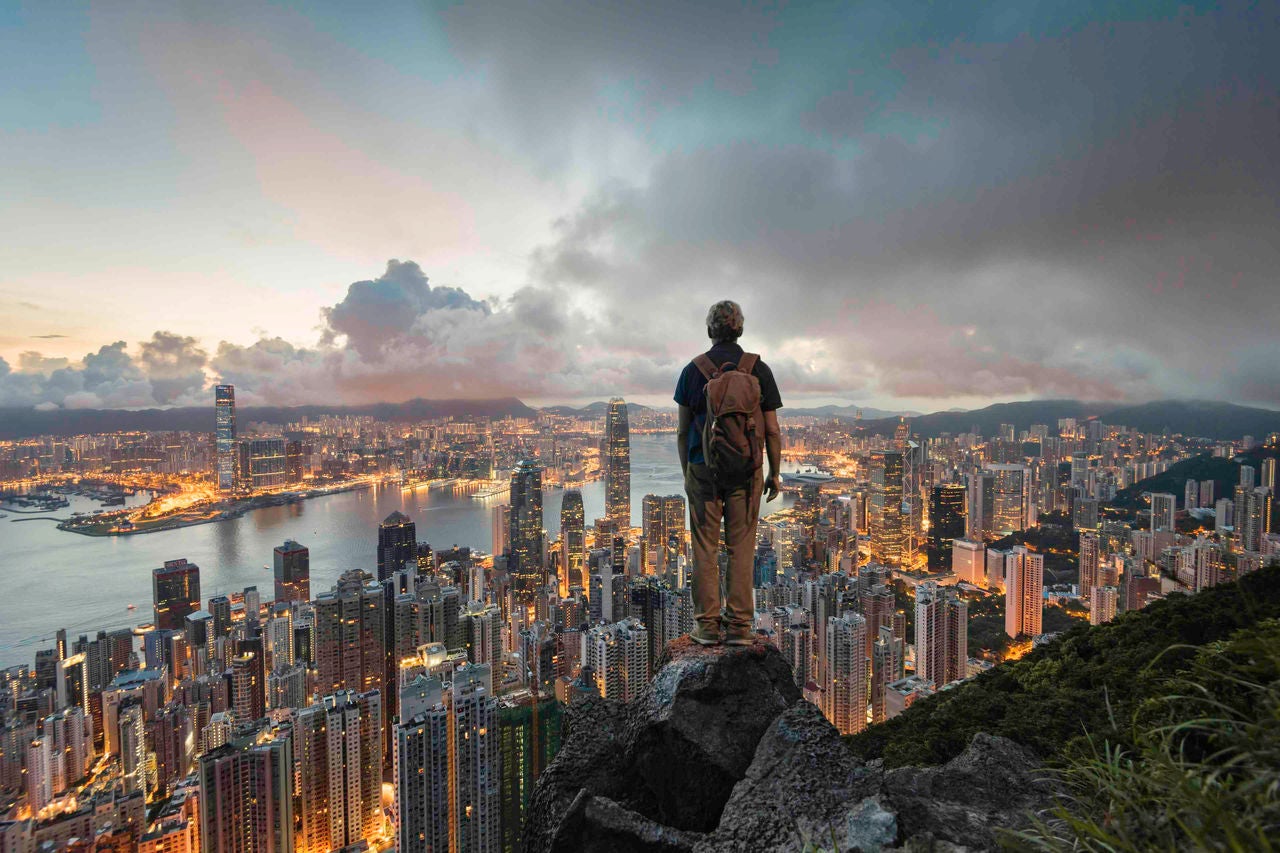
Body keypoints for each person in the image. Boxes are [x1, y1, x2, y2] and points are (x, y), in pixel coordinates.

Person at [674, 300, 782, 645]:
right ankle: (738, 628)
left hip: (702, 471)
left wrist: (689, 471)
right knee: (741, 547)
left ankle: (706, 627)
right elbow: (773, 429)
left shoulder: (693, 371)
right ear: (740, 329)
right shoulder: (757, 369)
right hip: (747, 471)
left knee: (705, 549)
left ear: (710, 331)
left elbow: (682, 431)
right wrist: (774, 472)